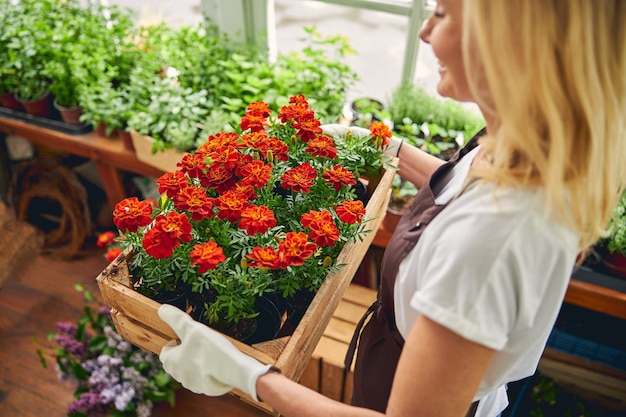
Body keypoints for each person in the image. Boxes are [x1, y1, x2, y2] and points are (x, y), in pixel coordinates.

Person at [156, 1, 626, 416]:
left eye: (441, 14)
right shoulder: (523, 144)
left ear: (508, 41)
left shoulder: (493, 238)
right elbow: (456, 186)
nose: (424, 32)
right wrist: (388, 149)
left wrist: (250, 375)